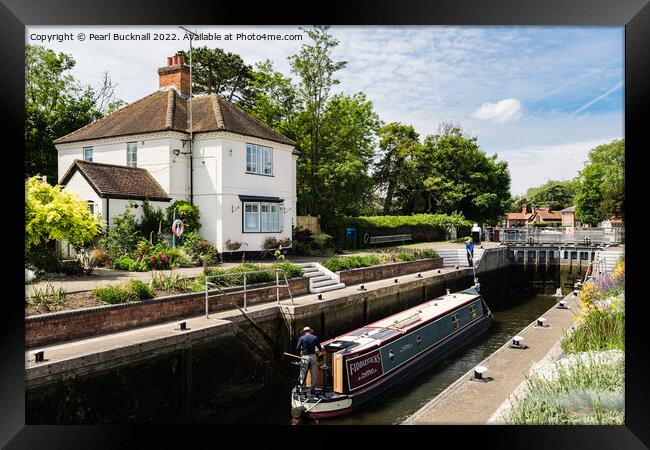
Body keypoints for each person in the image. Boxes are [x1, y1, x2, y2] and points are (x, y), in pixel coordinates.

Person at [296, 326, 322, 394]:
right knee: (313, 373)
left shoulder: (301, 338)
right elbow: (319, 347)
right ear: (310, 331)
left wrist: (301, 350)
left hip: (305, 357)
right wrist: (319, 352)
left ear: (304, 332)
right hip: (313, 357)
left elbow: (297, 348)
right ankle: (313, 389)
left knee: (303, 373)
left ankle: (303, 389)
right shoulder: (315, 337)